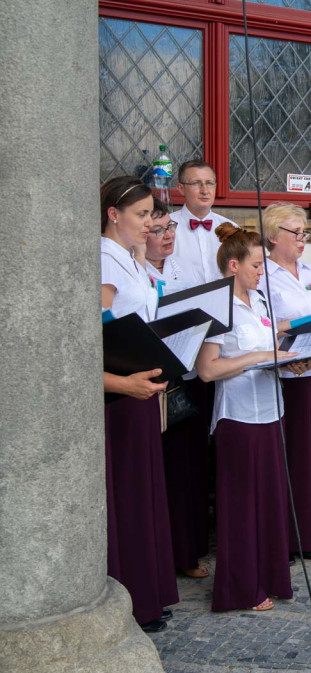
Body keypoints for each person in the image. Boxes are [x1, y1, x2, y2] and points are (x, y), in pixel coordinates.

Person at [196, 224, 309, 612]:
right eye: (257, 265)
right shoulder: (218, 308)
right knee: (241, 506)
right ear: (234, 266)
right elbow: (207, 370)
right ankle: (240, 588)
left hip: (271, 413)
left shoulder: (261, 302)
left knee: (271, 501)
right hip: (238, 419)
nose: (263, 272)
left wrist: (288, 362)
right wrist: (258, 358)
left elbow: (272, 347)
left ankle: (271, 576)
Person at [99, 176, 178, 632]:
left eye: (152, 214)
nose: (150, 223)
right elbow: (95, 335)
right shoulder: (104, 258)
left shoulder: (131, 257)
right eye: (142, 214)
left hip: (143, 387)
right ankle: (128, 597)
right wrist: (123, 383)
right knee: (127, 496)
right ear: (114, 214)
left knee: (146, 491)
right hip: (121, 394)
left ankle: (148, 593)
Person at [137, 198, 210, 581]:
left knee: (189, 470)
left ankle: (188, 549)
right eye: (158, 230)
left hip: (189, 378)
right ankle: (161, 557)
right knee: (161, 472)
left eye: (170, 228)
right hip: (151, 382)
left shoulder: (185, 268)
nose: (167, 236)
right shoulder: (136, 272)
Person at [261, 202, 311, 562]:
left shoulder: (310, 271)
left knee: (306, 455)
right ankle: (280, 539)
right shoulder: (263, 273)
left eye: (305, 233)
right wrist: (288, 353)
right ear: (273, 236)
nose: (302, 239)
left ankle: (305, 536)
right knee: (281, 456)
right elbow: (261, 324)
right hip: (281, 374)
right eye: (296, 232)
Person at [170, 159, 236, 284]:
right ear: (181, 188)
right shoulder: (166, 227)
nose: (205, 190)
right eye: (196, 183)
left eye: (209, 183)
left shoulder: (231, 229)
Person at [138, 198, 191, 296]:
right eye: (158, 230)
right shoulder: (131, 270)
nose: (169, 235)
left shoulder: (185, 266)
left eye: (170, 226)